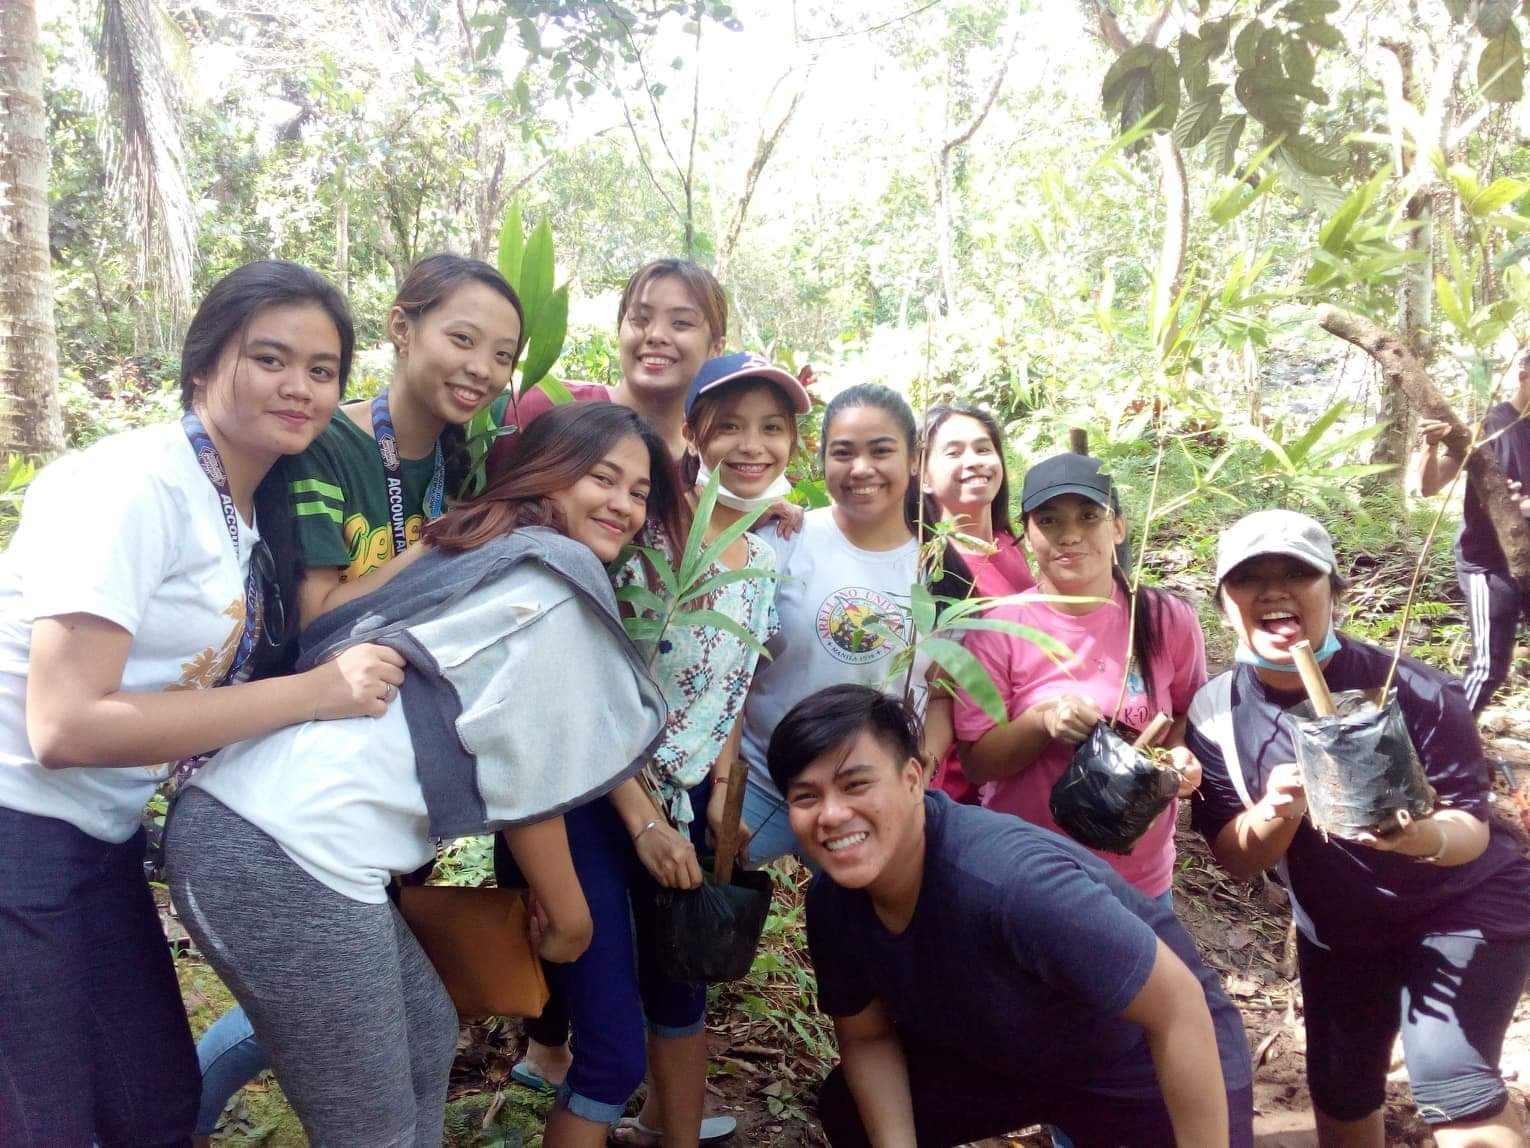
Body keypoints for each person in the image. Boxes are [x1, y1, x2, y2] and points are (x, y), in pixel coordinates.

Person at [165, 402, 677, 1148]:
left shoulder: (475, 541)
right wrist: (572, 919)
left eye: (639, 492)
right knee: (371, 1131)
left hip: (262, 822)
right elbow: (521, 764)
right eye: (604, 478)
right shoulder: (555, 575)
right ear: (548, 473)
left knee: (429, 1033)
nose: (625, 506)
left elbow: (335, 626)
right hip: (285, 852)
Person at [0, 260, 405, 1146]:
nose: (299, 386)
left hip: (93, 839)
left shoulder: (240, 511)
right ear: (204, 365)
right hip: (18, 826)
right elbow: (63, 726)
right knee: (48, 1120)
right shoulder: (130, 486)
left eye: (323, 369)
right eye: (271, 358)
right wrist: (308, 697)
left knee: (151, 1106)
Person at [191, 252, 526, 1140]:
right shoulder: (329, 441)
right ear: (401, 326)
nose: (480, 370)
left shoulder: (460, 458)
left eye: (501, 356)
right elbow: (322, 620)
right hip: (294, 768)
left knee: (367, 1015)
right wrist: (450, 542)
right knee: (330, 1014)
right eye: (462, 339)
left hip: (376, 765)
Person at [770, 684, 1254, 1147]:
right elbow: (869, 1038)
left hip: (1142, 1060)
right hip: (1012, 1063)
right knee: (850, 1108)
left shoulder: (1009, 882)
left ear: (914, 778)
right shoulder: (835, 902)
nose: (831, 815)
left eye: (856, 784)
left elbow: (1179, 1008)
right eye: (806, 796)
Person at [1186, 509, 1530, 1148]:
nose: (1273, 590)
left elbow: (1471, 831)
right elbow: (1233, 856)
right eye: (1248, 578)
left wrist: (1414, 836)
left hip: (1463, 905)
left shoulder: (1413, 689)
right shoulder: (1215, 713)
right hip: (1340, 930)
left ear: (1333, 591)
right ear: (1224, 603)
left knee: (1448, 1072)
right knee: (1342, 1088)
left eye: (1298, 572)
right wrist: (1275, 810)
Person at [952, 453, 1204, 902]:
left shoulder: (1166, 618)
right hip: (1029, 873)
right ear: (1027, 535)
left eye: (1089, 516)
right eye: (1048, 520)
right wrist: (1041, 721)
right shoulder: (998, 628)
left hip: (1139, 878)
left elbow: (1183, 716)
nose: (1069, 535)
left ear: (1118, 527)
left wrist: (1179, 759)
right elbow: (977, 763)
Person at [738, 384, 954, 864]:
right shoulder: (783, 537)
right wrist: (721, 783)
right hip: (761, 781)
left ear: (915, 459)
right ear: (822, 460)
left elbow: (942, 694)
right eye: (843, 453)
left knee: (859, 932)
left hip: (870, 800)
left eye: (881, 451)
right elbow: (734, 664)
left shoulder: (941, 571)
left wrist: (917, 770)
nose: (861, 469)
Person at [487, 257, 727, 464]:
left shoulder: (716, 462)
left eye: (681, 323)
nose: (655, 336)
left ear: (716, 348)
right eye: (640, 319)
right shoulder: (538, 406)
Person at [917, 403, 1034, 804]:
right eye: (953, 452)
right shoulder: (930, 564)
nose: (974, 462)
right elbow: (934, 683)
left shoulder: (1009, 544)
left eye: (984, 449)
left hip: (1018, 759)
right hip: (957, 779)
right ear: (924, 476)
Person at [1417, 348, 1530, 712]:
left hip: (1526, 557)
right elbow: (1431, 485)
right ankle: (1445, 747)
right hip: (1487, 565)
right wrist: (1430, 446)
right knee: (1489, 667)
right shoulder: (1488, 427)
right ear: (1524, 376)